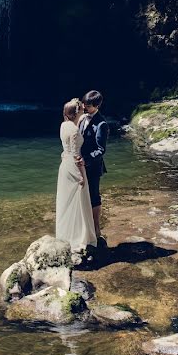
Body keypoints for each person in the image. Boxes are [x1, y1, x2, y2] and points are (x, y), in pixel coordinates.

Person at [55, 99, 97, 251]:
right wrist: (81, 176)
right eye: (80, 109)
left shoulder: (64, 125)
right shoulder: (73, 130)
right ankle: (79, 236)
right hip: (74, 167)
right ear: (76, 112)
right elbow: (75, 155)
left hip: (64, 165)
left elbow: (66, 149)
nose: (83, 110)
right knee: (79, 200)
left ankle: (65, 234)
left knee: (66, 201)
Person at [79, 90, 108, 245]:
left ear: (97, 105)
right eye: (84, 103)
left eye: (88, 105)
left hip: (93, 167)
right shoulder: (83, 118)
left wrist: (86, 159)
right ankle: (85, 228)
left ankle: (97, 229)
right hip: (80, 165)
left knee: (94, 196)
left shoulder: (102, 124)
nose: (84, 107)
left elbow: (101, 149)